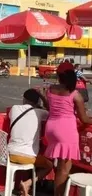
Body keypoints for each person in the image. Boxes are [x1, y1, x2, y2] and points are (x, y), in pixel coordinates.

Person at [45, 62, 92, 196]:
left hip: (51, 126)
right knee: (64, 168)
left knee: (60, 164)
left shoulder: (50, 89)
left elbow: (50, 108)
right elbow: (84, 119)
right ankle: (58, 194)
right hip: (66, 130)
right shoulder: (75, 94)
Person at [8, 89, 52, 196]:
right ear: (37, 102)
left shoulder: (14, 109)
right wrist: (42, 97)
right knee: (49, 165)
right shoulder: (40, 113)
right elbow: (51, 111)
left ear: (24, 99)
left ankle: (25, 189)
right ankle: (28, 183)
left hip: (9, 154)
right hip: (28, 157)